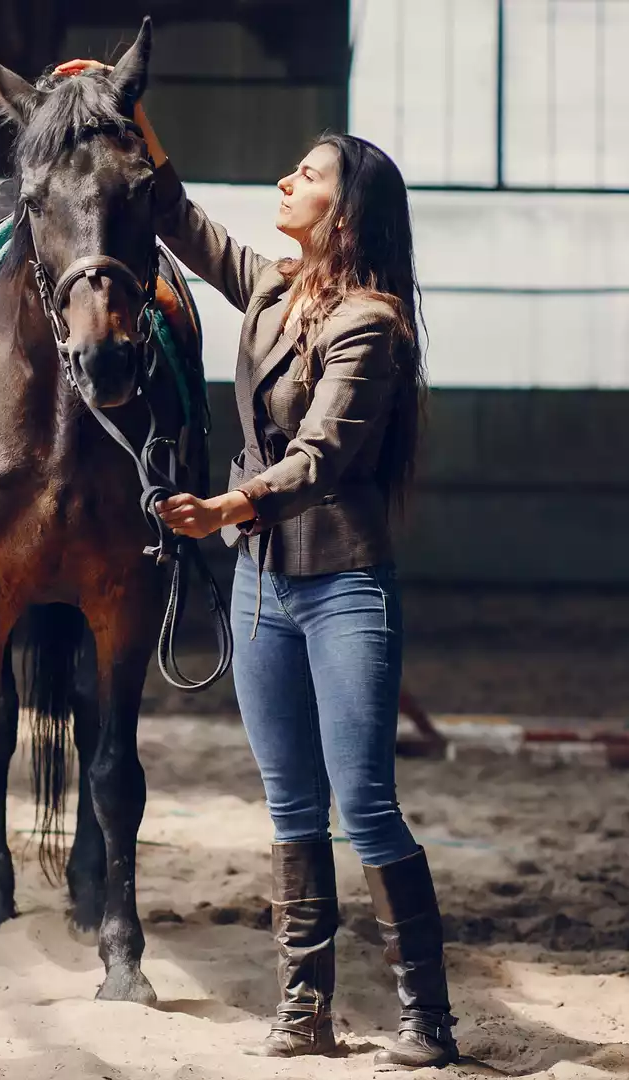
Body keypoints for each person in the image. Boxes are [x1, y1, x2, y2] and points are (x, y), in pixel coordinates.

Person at [49, 58, 454, 1069]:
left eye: (306, 175)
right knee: (290, 808)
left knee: (365, 806)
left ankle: (426, 1018)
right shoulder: (274, 289)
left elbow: (321, 457)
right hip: (263, 587)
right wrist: (126, 109)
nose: (285, 181)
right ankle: (305, 1010)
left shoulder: (372, 325)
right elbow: (180, 219)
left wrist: (226, 507)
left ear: (344, 213)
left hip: (343, 586)